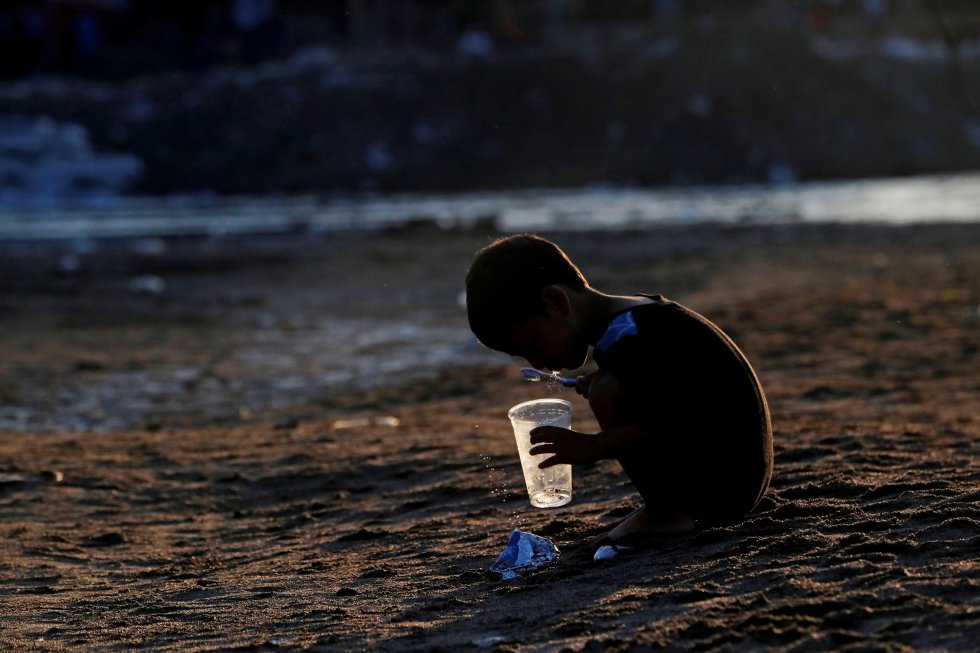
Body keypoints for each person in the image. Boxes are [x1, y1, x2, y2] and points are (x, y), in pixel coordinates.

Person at [465, 234, 773, 541]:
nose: (537, 362)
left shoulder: (626, 339)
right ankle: (667, 509)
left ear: (557, 302)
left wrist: (594, 446)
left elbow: (668, 422)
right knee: (606, 384)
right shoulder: (637, 318)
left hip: (725, 488)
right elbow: (678, 393)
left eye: (532, 345)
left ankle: (667, 513)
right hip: (740, 475)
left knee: (605, 391)